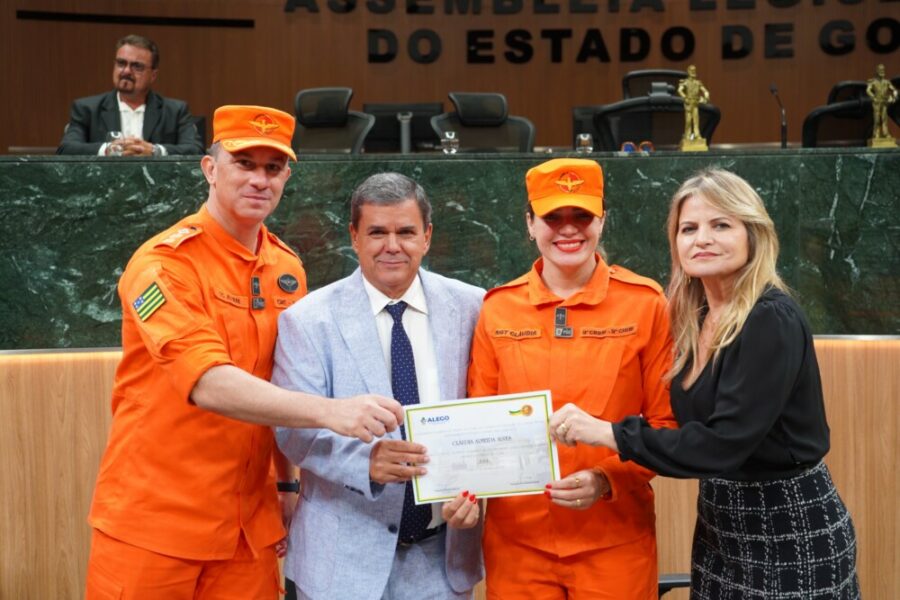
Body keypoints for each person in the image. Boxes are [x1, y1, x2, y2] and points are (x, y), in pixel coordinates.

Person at [86, 105, 403, 599]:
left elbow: (286, 382)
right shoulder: (164, 266)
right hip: (156, 525)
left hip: (247, 530)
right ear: (210, 169)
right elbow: (208, 381)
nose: (260, 179)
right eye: (244, 164)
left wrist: (286, 485)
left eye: (272, 168)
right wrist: (333, 412)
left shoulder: (287, 269)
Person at [550, 168, 860, 599]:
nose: (702, 239)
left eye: (721, 225)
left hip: (788, 526)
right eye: (688, 228)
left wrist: (605, 432)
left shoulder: (770, 317)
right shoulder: (692, 319)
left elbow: (722, 444)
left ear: (753, 234)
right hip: (720, 526)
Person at [467, 158, 677, 599]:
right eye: (552, 217)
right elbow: (478, 427)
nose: (568, 229)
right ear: (529, 224)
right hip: (517, 543)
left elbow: (666, 425)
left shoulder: (645, 304)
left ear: (603, 221)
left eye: (582, 215)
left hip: (614, 538)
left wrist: (607, 479)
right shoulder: (497, 309)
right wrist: (459, 488)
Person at [273, 172, 485, 600]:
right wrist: (364, 462)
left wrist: (479, 492)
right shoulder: (307, 320)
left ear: (427, 236)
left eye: (406, 231)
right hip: (339, 565)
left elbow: (490, 413)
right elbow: (292, 431)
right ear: (354, 236)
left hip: (440, 564)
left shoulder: (474, 307)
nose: (392, 245)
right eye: (377, 232)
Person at [57, 34, 204, 156]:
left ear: (153, 75)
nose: (126, 71)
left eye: (137, 66)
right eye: (121, 63)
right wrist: (109, 149)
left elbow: (196, 150)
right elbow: (66, 149)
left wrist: (154, 151)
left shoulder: (175, 111)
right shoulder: (87, 109)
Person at [677, 64, 710, 142]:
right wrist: (685, 97)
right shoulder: (685, 82)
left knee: (696, 121)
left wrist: (706, 96)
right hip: (688, 103)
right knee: (688, 121)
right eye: (691, 70)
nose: (693, 72)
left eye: (694, 70)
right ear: (688, 71)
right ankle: (687, 136)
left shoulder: (698, 82)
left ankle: (697, 135)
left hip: (695, 103)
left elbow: (705, 91)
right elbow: (679, 90)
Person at [866, 63, 898, 140]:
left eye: (883, 70)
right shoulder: (873, 82)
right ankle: (876, 134)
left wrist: (893, 97)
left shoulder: (887, 82)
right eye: (880, 70)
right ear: (877, 71)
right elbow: (868, 90)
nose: (882, 71)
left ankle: (885, 134)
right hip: (876, 102)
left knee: (884, 118)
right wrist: (873, 97)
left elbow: (894, 90)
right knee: (876, 119)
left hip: (884, 102)